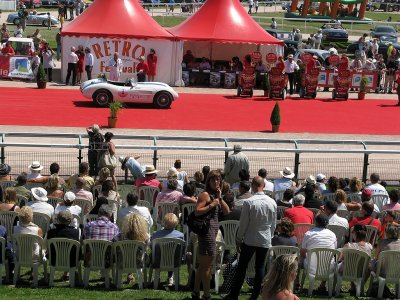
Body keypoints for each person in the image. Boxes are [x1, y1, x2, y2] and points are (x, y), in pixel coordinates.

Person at [226, 176, 277, 300]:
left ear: (253, 186)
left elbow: (243, 224)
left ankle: (234, 294)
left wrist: (238, 239)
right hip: (264, 239)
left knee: (242, 267)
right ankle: (254, 295)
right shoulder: (272, 202)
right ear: (263, 186)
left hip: (250, 238)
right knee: (259, 267)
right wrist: (269, 236)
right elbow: (273, 224)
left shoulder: (249, 202)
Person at [192, 170, 230, 300]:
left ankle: (196, 292)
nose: (216, 182)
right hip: (207, 233)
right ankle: (206, 295)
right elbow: (197, 212)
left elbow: (227, 211)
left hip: (212, 232)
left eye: (218, 179)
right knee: (207, 265)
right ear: (208, 181)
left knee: (203, 265)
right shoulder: (205, 195)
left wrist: (219, 198)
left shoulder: (216, 195)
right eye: (213, 179)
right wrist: (211, 205)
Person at [151, 213, 183, 286]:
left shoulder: (156, 234)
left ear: (164, 222)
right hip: (174, 262)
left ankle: (157, 276)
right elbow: (182, 250)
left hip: (158, 261)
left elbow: (152, 248)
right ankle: (170, 277)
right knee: (173, 254)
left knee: (156, 253)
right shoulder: (180, 235)